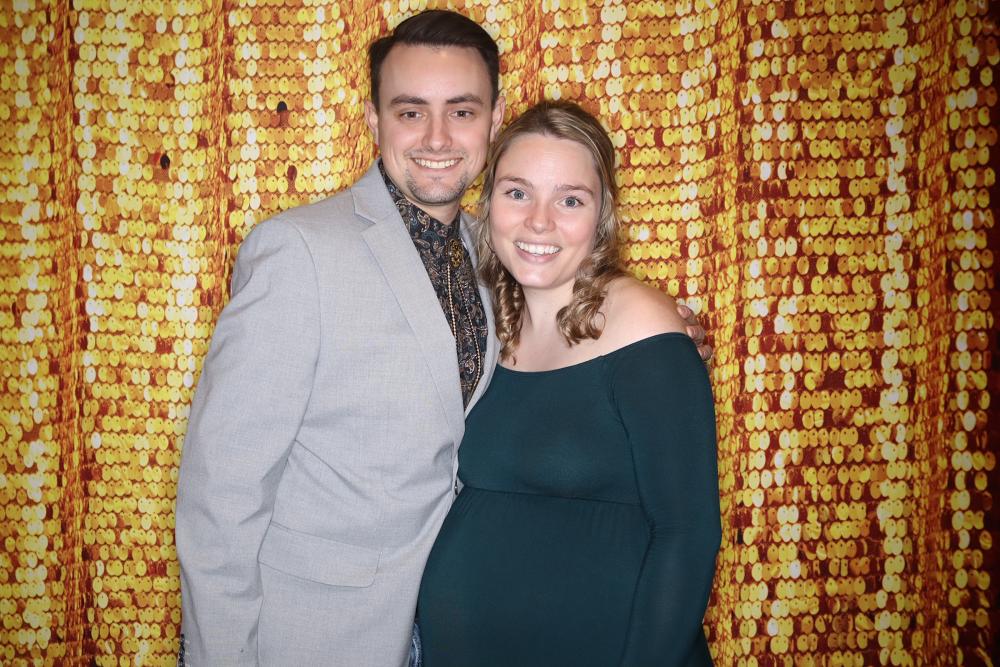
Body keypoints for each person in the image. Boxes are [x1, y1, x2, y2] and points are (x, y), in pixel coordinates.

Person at [175, 10, 709, 667]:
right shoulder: (299, 251)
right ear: (373, 121)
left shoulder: (503, 254)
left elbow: (577, 349)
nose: (436, 137)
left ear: (494, 119)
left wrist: (659, 336)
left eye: (461, 111)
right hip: (318, 635)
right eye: (410, 112)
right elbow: (219, 496)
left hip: (453, 638)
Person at [417, 101, 722, 667]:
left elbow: (687, 533)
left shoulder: (644, 325)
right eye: (517, 192)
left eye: (570, 200)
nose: (539, 221)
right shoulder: (482, 324)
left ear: (602, 216)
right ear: (487, 205)